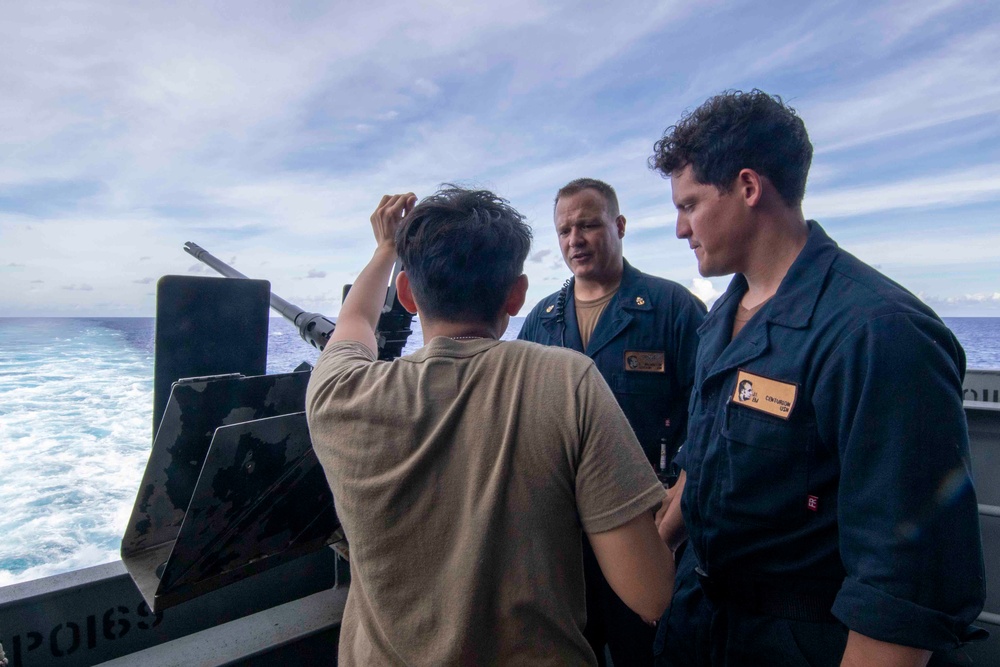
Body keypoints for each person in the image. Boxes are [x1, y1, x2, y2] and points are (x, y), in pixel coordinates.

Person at [649, 90, 986, 667]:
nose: (680, 229)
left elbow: (901, 583)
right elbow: (700, 467)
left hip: (804, 640)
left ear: (749, 188)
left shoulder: (877, 333)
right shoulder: (719, 323)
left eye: (690, 205)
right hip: (702, 623)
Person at [305, 187, 675, 665]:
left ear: (407, 295)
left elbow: (354, 320)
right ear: (517, 294)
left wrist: (385, 249)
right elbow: (651, 593)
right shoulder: (568, 380)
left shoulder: (338, 392)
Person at [518, 178, 705, 666]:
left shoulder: (671, 309)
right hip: (563, 543)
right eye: (563, 231)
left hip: (647, 528)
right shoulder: (543, 320)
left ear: (619, 226)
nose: (574, 240)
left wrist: (682, 497)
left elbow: (710, 416)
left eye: (587, 225)